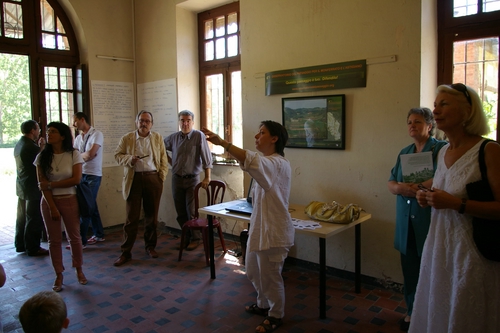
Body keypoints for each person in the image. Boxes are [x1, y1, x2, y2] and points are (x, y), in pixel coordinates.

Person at [411, 84, 500, 332]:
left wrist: (457, 204)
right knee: (440, 307)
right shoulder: (443, 153)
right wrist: (426, 197)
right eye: (436, 104)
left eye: (444, 104)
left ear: (468, 111)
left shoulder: (489, 150)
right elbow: (444, 191)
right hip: (440, 248)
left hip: (472, 252)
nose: (436, 110)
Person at [202, 121, 294, 333]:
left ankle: (276, 314)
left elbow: (250, 160)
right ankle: (263, 305)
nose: (256, 136)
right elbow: (252, 162)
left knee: (271, 276)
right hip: (261, 228)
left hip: (275, 232)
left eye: (262, 133)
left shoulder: (278, 163)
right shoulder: (266, 161)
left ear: (274, 139)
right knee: (253, 269)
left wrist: (223, 143)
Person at [387, 107, 446, 331]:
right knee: (410, 269)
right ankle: (412, 312)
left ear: (430, 126)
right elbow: (391, 183)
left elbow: (442, 177)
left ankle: (433, 315)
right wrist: (402, 188)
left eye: (418, 122)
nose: (412, 125)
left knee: (432, 269)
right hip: (406, 221)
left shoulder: (441, 150)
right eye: (409, 121)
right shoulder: (406, 151)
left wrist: (416, 188)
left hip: (429, 218)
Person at [35, 121, 88, 292]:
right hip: (49, 201)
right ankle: (58, 274)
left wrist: (50, 184)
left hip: (70, 199)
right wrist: (52, 206)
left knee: (75, 237)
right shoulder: (42, 157)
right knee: (54, 240)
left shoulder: (74, 154)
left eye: (53, 131)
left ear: (63, 136)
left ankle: (79, 270)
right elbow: (41, 185)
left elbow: (76, 180)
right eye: (48, 131)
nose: (49, 134)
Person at [113, 110, 168, 266]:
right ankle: (125, 252)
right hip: (134, 179)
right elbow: (117, 155)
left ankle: (150, 247)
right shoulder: (127, 138)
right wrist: (129, 159)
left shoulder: (157, 138)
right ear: (136, 122)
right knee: (132, 219)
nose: (144, 123)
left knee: (152, 217)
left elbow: (163, 158)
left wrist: (161, 177)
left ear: (151, 124)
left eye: (147, 121)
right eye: (141, 120)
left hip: (153, 178)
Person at [164, 110, 213, 250]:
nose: (185, 123)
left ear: (193, 122)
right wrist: (171, 162)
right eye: (182, 120)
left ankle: (196, 238)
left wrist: (207, 177)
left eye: (188, 120)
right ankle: (186, 236)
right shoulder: (173, 137)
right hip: (176, 179)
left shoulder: (198, 136)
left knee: (191, 211)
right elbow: (160, 147)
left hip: (192, 180)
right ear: (179, 122)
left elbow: (206, 157)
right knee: (180, 212)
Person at [14, 120, 49, 256]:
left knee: (22, 217)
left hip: (22, 185)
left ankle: (21, 244)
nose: (39, 131)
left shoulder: (19, 144)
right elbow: (41, 162)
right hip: (32, 187)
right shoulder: (30, 147)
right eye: (38, 129)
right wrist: (42, 147)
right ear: (32, 130)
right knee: (34, 217)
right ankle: (33, 247)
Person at [72, 112, 105, 247]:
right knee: (91, 205)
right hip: (81, 174)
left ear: (82, 119)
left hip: (93, 174)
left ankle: (80, 241)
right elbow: (74, 156)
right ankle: (99, 234)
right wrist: (84, 155)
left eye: (75, 121)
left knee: (85, 206)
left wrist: (83, 155)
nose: (73, 125)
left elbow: (91, 154)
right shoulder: (79, 137)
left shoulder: (97, 134)